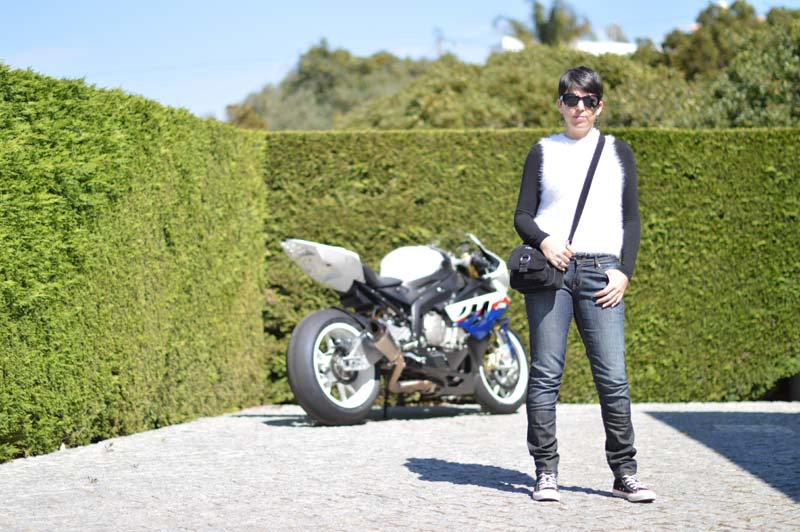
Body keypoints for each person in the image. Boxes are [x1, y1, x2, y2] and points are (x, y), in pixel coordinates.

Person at [513, 66, 656, 503]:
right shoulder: (542, 152)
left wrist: (624, 270)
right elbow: (522, 216)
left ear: (600, 106)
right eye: (572, 100)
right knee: (545, 374)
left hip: (602, 272)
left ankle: (624, 473)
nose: (580, 107)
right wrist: (545, 240)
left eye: (588, 101)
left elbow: (631, 219)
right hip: (552, 270)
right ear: (559, 104)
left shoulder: (617, 151)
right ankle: (545, 472)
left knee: (613, 377)